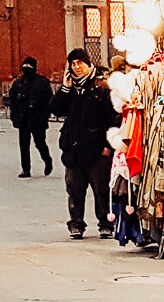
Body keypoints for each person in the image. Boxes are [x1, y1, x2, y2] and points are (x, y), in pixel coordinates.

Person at [49, 48, 120, 240]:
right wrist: (64, 88)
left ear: (89, 64)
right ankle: (76, 224)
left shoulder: (102, 87)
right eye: (73, 64)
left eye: (80, 63)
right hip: (73, 148)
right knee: (74, 189)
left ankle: (106, 223)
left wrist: (108, 144)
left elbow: (114, 118)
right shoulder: (70, 89)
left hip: (97, 149)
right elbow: (55, 109)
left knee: (101, 189)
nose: (76, 67)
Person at [8, 57, 54, 179]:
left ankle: (47, 160)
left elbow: (48, 101)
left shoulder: (42, 83)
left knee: (40, 143)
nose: (26, 69)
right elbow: (12, 99)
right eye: (25, 66)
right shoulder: (18, 82)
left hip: (37, 119)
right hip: (23, 118)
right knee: (24, 145)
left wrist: (44, 115)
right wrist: (15, 114)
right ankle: (26, 169)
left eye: (29, 67)